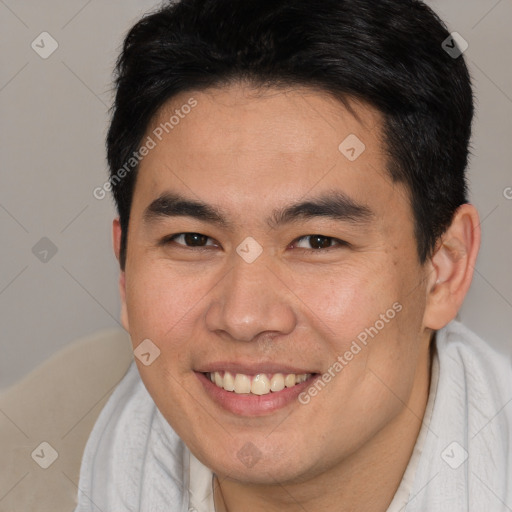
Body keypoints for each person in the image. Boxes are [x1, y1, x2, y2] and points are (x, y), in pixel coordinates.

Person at [75, 0, 512, 510]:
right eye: (193, 240)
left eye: (317, 242)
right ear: (125, 268)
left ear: (443, 271)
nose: (243, 317)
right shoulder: (29, 450)